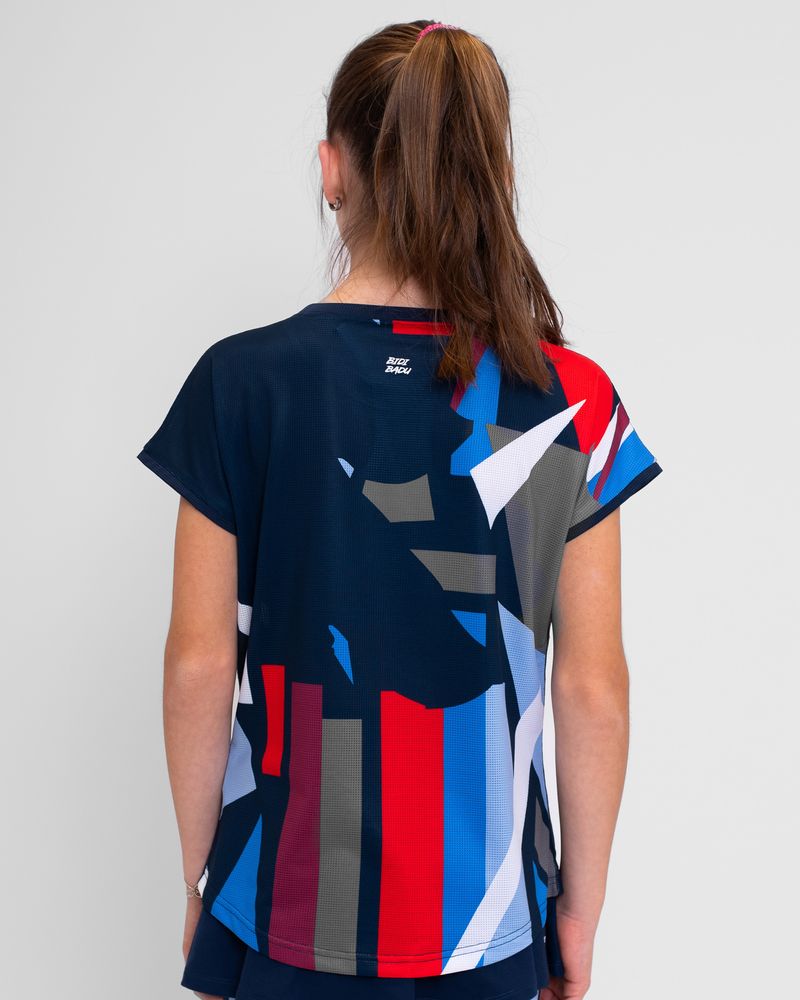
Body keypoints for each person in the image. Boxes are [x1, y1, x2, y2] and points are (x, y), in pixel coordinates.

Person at [136, 19, 663, 1000]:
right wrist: (579, 914)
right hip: (492, 920)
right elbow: (593, 688)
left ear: (331, 170)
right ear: (493, 174)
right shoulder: (572, 401)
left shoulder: (240, 383)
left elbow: (198, 664)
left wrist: (206, 881)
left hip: (284, 909)